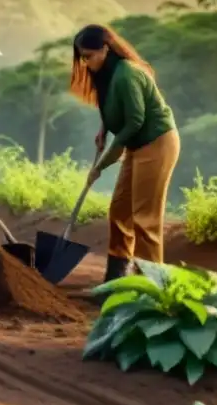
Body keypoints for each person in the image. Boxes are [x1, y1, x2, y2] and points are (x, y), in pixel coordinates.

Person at [70, 24, 180, 283]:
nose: (85, 63)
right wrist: (104, 127)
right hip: (136, 145)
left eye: (88, 56)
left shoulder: (127, 74)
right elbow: (113, 106)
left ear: (105, 49)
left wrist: (103, 164)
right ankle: (117, 280)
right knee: (120, 212)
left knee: (145, 220)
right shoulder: (107, 74)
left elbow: (135, 121)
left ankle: (151, 288)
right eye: (81, 57)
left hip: (156, 143)